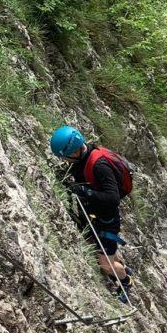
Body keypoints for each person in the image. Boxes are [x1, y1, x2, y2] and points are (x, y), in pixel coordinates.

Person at [49, 126, 132, 303]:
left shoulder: (100, 166)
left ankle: (125, 280)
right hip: (95, 213)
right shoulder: (82, 157)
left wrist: (84, 192)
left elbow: (112, 198)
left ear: (75, 151)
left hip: (107, 218)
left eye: (64, 157)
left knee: (105, 265)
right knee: (103, 249)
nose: (63, 160)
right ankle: (120, 266)